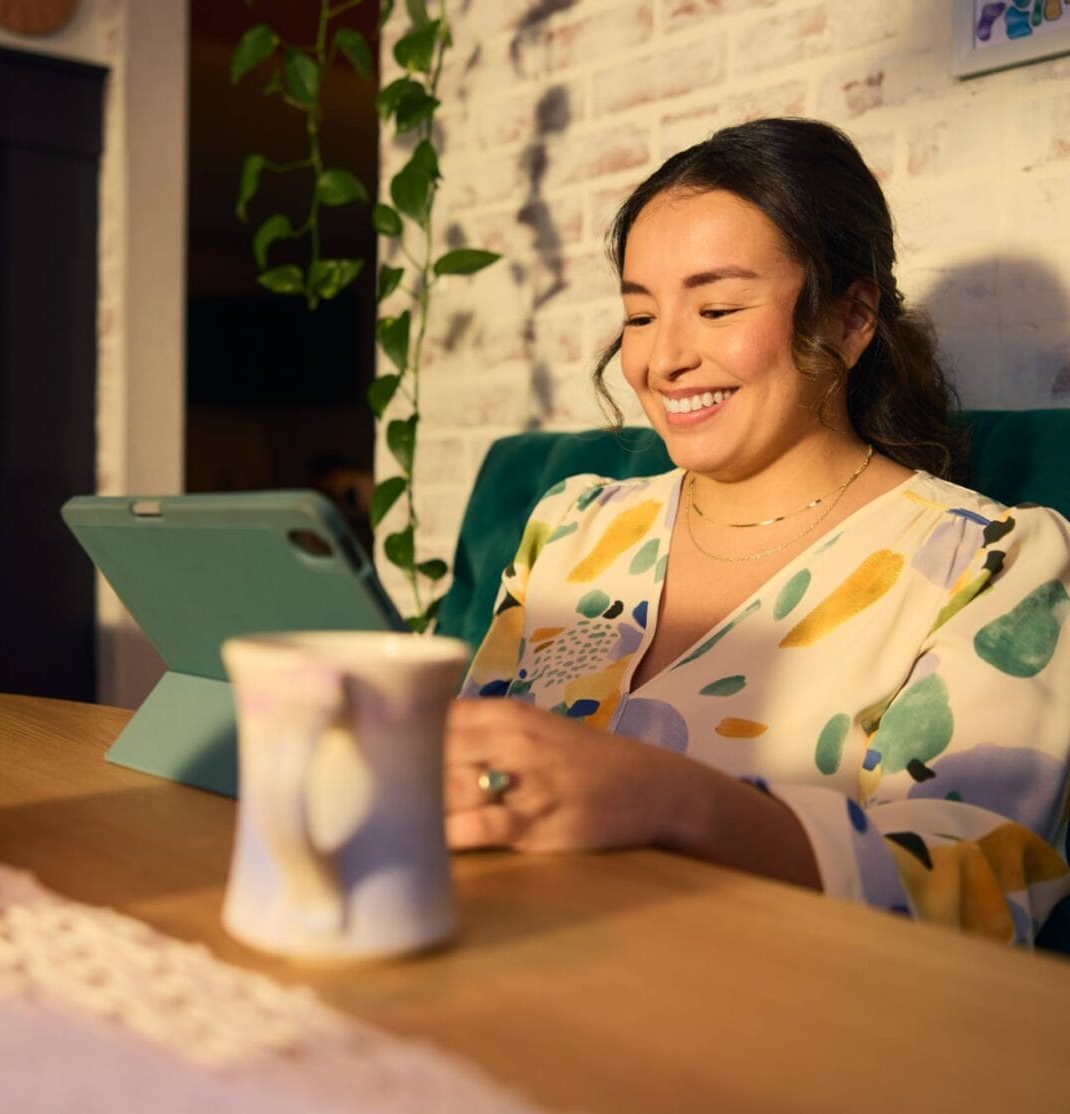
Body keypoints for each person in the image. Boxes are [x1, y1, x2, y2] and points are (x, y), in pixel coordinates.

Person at [446, 117, 1070, 948]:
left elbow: (972, 890)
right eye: (638, 316)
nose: (661, 358)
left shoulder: (992, 566)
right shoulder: (571, 526)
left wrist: (675, 799)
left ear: (850, 322)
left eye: (717, 307)